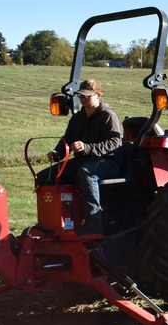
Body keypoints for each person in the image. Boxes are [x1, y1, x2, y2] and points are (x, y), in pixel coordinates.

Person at [42, 79, 123, 235]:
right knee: (47, 176)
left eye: (88, 96)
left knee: (86, 172)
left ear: (98, 95)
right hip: (83, 161)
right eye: (81, 96)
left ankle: (95, 224)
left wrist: (87, 148)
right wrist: (58, 152)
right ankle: (53, 223)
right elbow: (67, 138)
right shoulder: (78, 118)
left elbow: (115, 143)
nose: (83, 99)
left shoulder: (108, 115)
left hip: (108, 162)